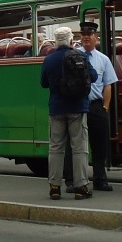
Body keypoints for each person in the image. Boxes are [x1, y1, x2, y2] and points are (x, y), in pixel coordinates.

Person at [39, 26, 92, 200]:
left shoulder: (49, 59)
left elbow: (43, 83)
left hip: (56, 108)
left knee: (55, 148)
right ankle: (81, 186)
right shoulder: (80, 56)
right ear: (71, 40)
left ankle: (54, 187)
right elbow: (93, 76)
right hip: (77, 107)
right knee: (79, 148)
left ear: (55, 41)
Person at [65, 22, 118, 192]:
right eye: (83, 35)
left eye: (90, 35)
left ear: (96, 37)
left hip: (96, 105)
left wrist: (105, 107)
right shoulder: (72, 56)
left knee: (99, 144)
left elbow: (108, 84)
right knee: (74, 144)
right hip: (77, 104)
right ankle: (72, 181)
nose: (86, 38)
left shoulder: (103, 59)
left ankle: (100, 179)